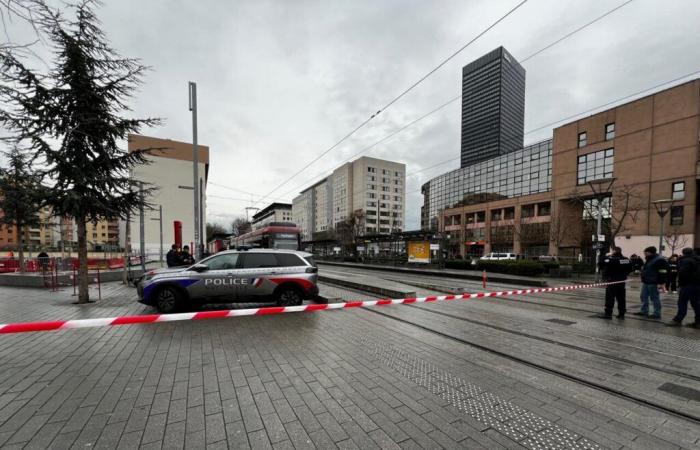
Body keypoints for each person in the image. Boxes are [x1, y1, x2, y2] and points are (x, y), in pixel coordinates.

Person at [597, 246, 634, 319]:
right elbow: (630, 269)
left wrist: (606, 256)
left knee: (610, 297)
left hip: (612, 281)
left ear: (614, 251)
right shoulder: (626, 259)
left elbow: (600, 263)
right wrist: (623, 274)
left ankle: (608, 314)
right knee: (621, 298)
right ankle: (621, 314)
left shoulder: (612, 260)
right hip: (622, 281)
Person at [668, 247, 700, 328]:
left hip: (687, 285)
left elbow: (683, 274)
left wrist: (680, 285)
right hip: (697, 285)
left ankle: (678, 320)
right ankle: (698, 322)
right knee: (696, 304)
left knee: (682, 302)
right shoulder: (698, 259)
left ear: (683, 253)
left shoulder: (686, 260)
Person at [633, 246, 668, 319]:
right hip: (646, 281)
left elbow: (663, 272)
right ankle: (644, 311)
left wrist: (661, 282)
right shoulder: (650, 259)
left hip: (654, 282)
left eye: (645, 252)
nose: (644, 254)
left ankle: (657, 313)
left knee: (654, 298)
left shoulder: (659, 260)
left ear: (650, 252)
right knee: (643, 296)